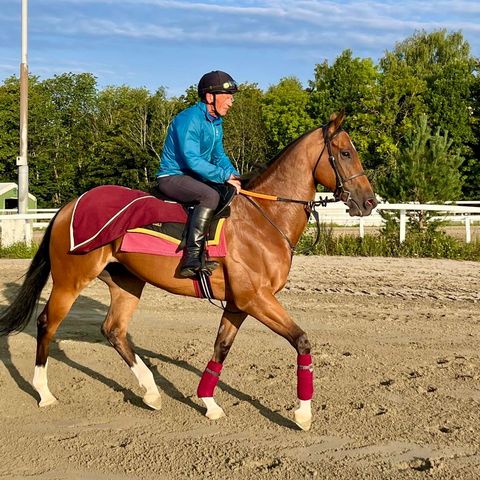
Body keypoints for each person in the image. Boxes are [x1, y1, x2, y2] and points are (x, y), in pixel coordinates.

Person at [156, 70, 242, 277]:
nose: (231, 102)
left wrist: (236, 176)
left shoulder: (215, 123)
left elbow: (218, 156)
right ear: (210, 96)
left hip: (194, 177)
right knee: (210, 195)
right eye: (227, 97)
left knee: (229, 192)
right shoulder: (189, 119)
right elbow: (191, 159)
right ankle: (192, 258)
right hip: (172, 176)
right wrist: (223, 176)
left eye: (232, 98)